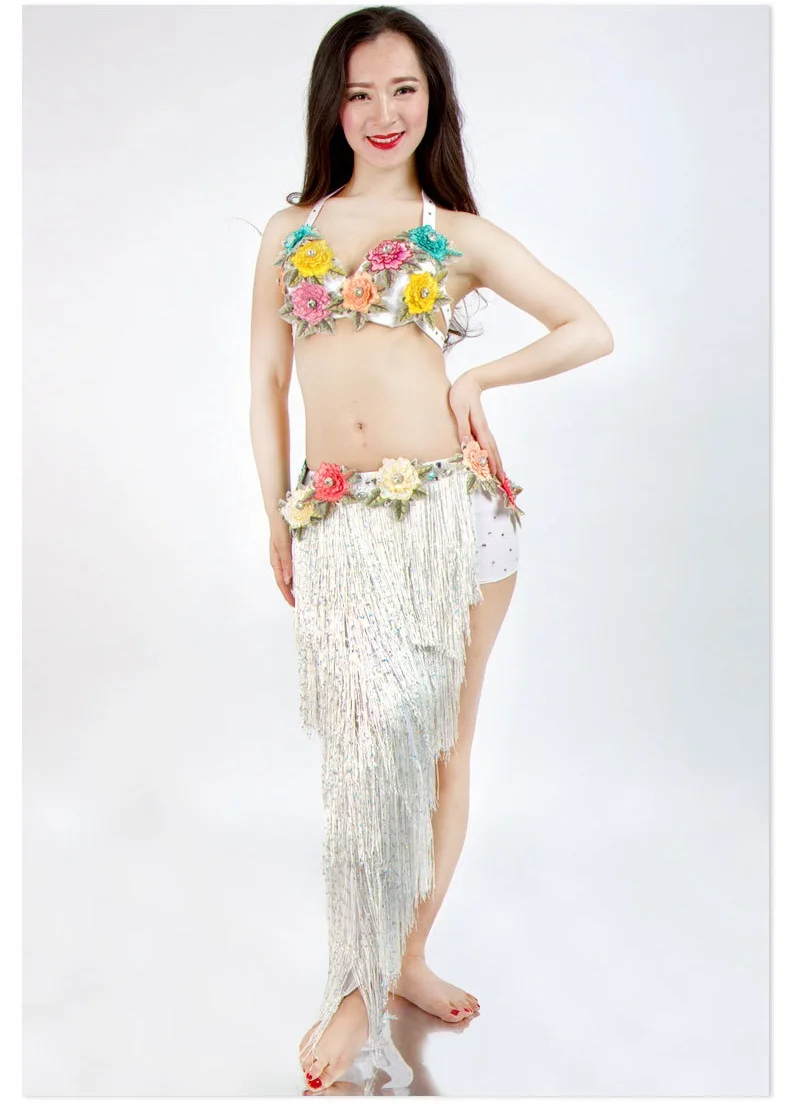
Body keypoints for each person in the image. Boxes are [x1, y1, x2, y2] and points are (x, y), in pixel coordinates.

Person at [248, 5, 614, 1093]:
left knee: (441, 746)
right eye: (359, 92)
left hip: (453, 519)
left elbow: (588, 327)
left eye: (403, 88)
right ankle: (364, 968)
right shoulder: (291, 231)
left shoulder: (453, 232)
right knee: (365, 754)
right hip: (340, 522)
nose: (382, 112)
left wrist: (477, 379)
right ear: (331, 106)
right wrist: (273, 511)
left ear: (433, 100)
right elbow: (265, 380)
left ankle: (392, 967)